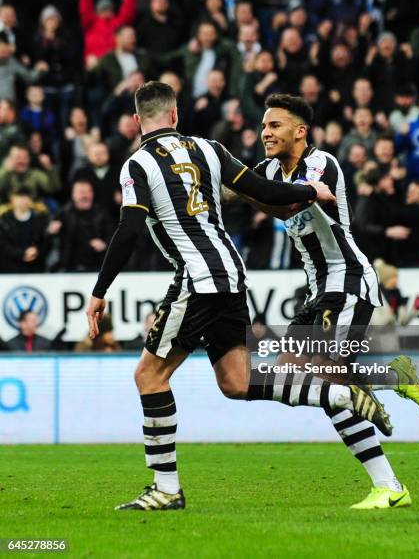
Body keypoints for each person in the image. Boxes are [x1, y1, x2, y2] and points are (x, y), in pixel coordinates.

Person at [85, 81, 391, 511]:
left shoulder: (137, 165)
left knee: (148, 376)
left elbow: (129, 229)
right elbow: (264, 192)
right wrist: (305, 191)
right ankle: (342, 397)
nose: (266, 132)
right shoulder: (209, 149)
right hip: (232, 277)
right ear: (175, 115)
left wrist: (99, 291)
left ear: (138, 121)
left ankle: (167, 489)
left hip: (199, 279)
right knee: (238, 382)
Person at [240, 94, 419, 509]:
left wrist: (253, 193)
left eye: (275, 125)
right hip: (317, 289)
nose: (265, 133)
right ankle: (391, 389)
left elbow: (288, 202)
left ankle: (390, 485)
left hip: (346, 280)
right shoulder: (269, 169)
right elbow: (248, 190)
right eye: (263, 126)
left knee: (327, 379)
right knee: (299, 379)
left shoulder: (321, 163)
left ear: (300, 130)